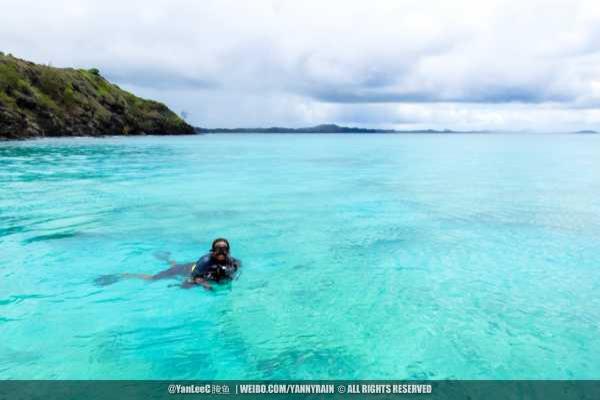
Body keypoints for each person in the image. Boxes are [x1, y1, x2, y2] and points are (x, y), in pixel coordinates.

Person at [94, 238, 241, 290]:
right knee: (153, 278)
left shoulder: (232, 261)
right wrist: (204, 284)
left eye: (224, 249)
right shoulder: (205, 261)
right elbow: (194, 277)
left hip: (193, 267)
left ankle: (166, 259)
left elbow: (237, 269)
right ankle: (124, 275)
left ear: (228, 250)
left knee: (175, 267)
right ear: (212, 251)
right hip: (190, 270)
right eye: (217, 249)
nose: (221, 252)